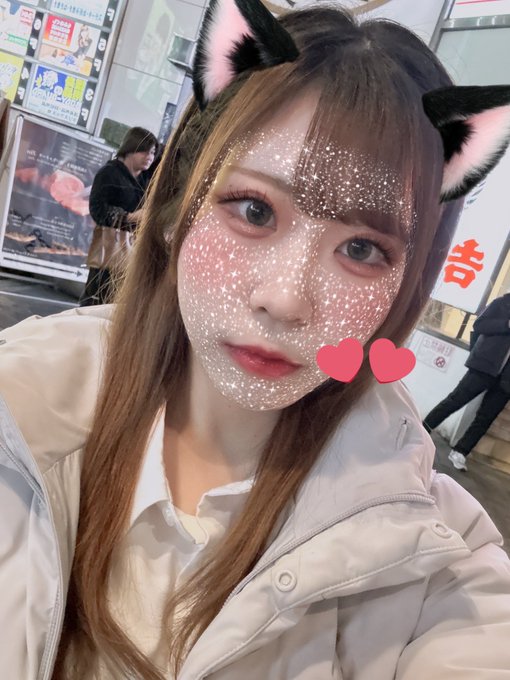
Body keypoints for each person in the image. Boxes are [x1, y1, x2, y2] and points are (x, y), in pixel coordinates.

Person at [1, 3, 510, 679]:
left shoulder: (439, 561)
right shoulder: (17, 422)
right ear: (175, 210)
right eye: (254, 210)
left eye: (362, 249)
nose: (286, 299)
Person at [424, 293, 510, 471]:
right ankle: (424, 428)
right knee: (456, 400)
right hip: (484, 366)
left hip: (506, 379)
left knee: (486, 417)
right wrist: (506, 324)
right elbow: (479, 324)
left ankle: (461, 451)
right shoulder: (502, 303)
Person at [79, 126, 157, 306]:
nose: (149, 157)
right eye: (144, 151)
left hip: (136, 249)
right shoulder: (109, 173)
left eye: (153, 152)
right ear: (131, 148)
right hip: (110, 247)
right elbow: (97, 210)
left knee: (122, 302)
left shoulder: (147, 179)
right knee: (98, 299)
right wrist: (129, 217)